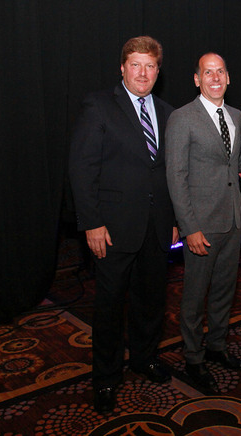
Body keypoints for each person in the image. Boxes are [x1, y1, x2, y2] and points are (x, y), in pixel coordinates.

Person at [68, 36, 178, 413]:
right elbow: (81, 169)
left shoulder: (167, 112)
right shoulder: (99, 106)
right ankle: (106, 378)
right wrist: (92, 223)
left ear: (158, 72)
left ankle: (144, 359)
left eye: (150, 66)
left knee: (151, 301)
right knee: (111, 306)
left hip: (158, 226)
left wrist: (175, 220)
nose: (143, 72)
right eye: (136, 65)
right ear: (122, 68)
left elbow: (169, 173)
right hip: (112, 229)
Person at [165, 52, 241, 394]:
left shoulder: (238, 116)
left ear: (228, 78)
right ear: (197, 79)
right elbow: (176, 176)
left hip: (234, 221)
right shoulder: (182, 118)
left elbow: (240, 163)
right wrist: (189, 227)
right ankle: (194, 358)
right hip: (201, 225)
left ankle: (216, 346)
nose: (214, 77)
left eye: (220, 71)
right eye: (207, 72)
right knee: (195, 296)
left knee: (225, 292)